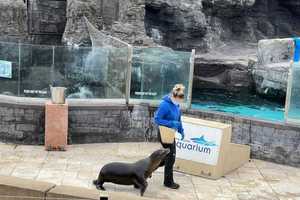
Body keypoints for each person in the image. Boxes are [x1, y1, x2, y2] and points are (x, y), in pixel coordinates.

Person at [154, 84, 185, 189]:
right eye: (179, 99)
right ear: (174, 96)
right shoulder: (164, 105)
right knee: (171, 157)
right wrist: (171, 123)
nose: (180, 101)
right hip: (164, 134)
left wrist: (181, 130)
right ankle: (168, 182)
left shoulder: (177, 105)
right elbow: (157, 119)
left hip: (171, 134)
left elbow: (178, 119)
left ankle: (149, 168)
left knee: (167, 157)